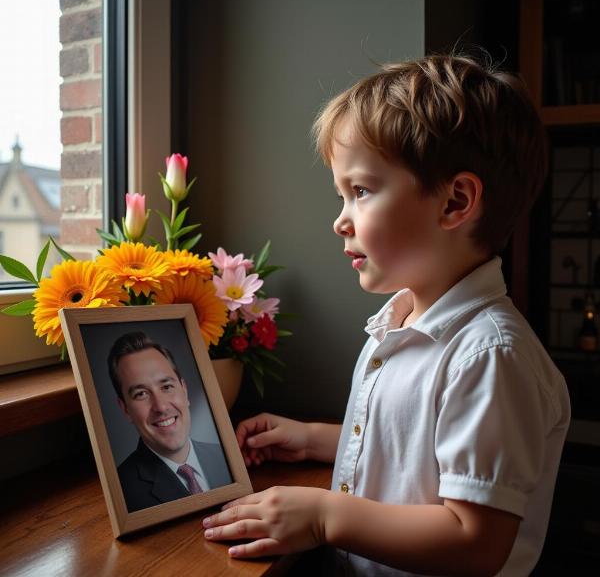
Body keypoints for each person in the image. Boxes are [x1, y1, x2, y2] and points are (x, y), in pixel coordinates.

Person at [201, 54, 571, 576]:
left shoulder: (490, 356)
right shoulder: (396, 323)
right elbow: (409, 450)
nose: (340, 221)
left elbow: (476, 540)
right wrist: (310, 438)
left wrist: (326, 515)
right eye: (341, 195)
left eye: (361, 191)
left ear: (454, 202)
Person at [108, 332, 231, 512]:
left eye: (166, 387)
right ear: (125, 408)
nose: (161, 406)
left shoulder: (225, 456)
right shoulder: (122, 491)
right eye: (141, 394)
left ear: (184, 391)